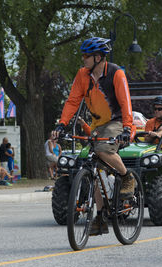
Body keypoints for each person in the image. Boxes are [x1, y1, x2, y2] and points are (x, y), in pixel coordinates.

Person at [51, 37, 134, 236]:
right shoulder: (82, 75)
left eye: (87, 55)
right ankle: (101, 214)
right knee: (92, 166)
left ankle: (126, 177)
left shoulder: (116, 74)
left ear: (98, 57)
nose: (83, 59)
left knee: (103, 149)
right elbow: (72, 102)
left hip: (116, 122)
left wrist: (128, 128)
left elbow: (125, 104)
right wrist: (62, 124)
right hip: (97, 124)